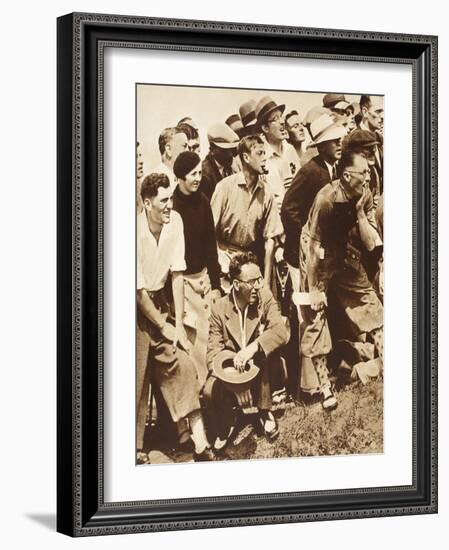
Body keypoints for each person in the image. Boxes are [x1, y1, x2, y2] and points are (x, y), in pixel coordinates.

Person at [136, 173, 215, 462]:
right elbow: (138, 292)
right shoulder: (133, 231)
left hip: (162, 302)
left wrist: (178, 326)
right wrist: (163, 326)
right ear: (147, 203)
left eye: (171, 198)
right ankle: (135, 449)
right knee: (137, 377)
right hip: (135, 308)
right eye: (163, 200)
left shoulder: (175, 222)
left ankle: (199, 442)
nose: (170, 205)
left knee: (181, 363)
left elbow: (178, 274)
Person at [298, 150, 384, 410]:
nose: (368, 177)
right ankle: (324, 387)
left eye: (369, 171)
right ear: (346, 176)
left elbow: (371, 243)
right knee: (317, 317)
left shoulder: (365, 193)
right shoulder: (326, 199)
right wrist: (314, 290)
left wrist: (359, 212)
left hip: (345, 253)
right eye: (363, 173)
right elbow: (312, 246)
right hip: (318, 257)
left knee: (370, 305)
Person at [207, 252, 290, 443]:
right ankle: (227, 422)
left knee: (263, 354)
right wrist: (237, 382)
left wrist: (252, 348)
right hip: (233, 373)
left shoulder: (265, 297)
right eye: (252, 281)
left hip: (263, 372)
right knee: (208, 390)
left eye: (259, 279)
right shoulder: (219, 309)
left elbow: (280, 331)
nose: (258, 286)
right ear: (236, 284)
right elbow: (212, 354)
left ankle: (265, 411)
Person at [172, 151, 223, 385]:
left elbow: (211, 245)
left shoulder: (203, 200)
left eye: (200, 173)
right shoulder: (172, 208)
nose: (198, 178)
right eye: (193, 174)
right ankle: (199, 394)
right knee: (193, 343)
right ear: (181, 177)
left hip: (203, 280)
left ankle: (216, 390)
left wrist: (215, 284)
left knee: (210, 337)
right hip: (183, 284)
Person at [281, 113, 347, 291]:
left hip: (323, 252)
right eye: (333, 141)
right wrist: (305, 239)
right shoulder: (310, 171)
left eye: (339, 139)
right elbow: (288, 209)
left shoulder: (336, 169)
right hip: (302, 253)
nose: (339, 144)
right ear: (322, 146)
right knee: (305, 301)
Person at [211, 134, 283, 288]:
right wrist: (220, 261)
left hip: (251, 263)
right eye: (259, 153)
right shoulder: (225, 188)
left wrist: (266, 284)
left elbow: (269, 240)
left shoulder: (266, 192)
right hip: (225, 262)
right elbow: (209, 232)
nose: (264, 158)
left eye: (265, 153)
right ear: (246, 157)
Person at [256, 96, 300, 209]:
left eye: (281, 117)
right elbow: (276, 202)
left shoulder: (289, 149)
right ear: (265, 128)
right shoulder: (262, 156)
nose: (282, 122)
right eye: (275, 119)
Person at [198, 123, 240, 200]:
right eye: (225, 150)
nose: (231, 155)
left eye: (232, 150)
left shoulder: (229, 166)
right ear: (213, 149)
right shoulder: (205, 176)